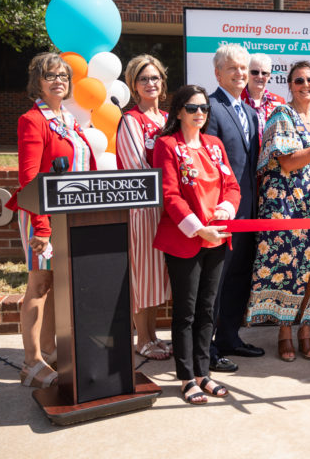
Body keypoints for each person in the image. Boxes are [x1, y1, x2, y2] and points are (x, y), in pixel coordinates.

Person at [6, 53, 95, 387]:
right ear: (38, 82)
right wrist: (41, 227)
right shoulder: (33, 120)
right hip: (41, 216)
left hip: (71, 217)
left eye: (63, 76)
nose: (59, 81)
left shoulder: (69, 120)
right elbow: (30, 179)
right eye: (51, 76)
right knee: (39, 284)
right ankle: (31, 362)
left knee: (59, 283)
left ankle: (50, 351)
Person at [248, 61, 310, 362]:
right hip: (285, 207)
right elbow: (287, 162)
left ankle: (306, 332)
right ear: (289, 84)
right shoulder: (281, 113)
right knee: (287, 271)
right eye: (299, 80)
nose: (305, 85)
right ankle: (285, 334)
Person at [152, 84, 240, 404]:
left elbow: (232, 186)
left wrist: (226, 211)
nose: (199, 113)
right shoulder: (166, 145)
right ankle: (186, 376)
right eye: (192, 108)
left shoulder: (214, 145)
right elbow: (170, 196)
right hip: (185, 239)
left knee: (207, 309)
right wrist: (198, 228)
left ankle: (203, 373)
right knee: (186, 312)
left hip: (216, 237)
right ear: (178, 112)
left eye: (204, 108)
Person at [205, 44, 265, 374]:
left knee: (239, 278)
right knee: (217, 281)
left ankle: (230, 337)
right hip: (223, 213)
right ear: (218, 73)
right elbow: (210, 165)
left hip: (249, 214)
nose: (242, 73)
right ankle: (208, 347)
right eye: (234, 68)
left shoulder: (251, 113)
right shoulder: (210, 109)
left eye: (245, 68)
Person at [116, 54, 172, 361]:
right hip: (143, 210)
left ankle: (153, 335)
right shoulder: (130, 120)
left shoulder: (167, 119)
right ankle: (143, 339)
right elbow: (136, 169)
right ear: (133, 86)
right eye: (143, 79)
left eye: (155, 78)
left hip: (168, 209)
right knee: (144, 274)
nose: (150, 83)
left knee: (159, 275)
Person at [240, 52, 285, 144]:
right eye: (255, 72)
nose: (260, 76)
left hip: (270, 157)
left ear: (269, 76)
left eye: (264, 73)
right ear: (247, 73)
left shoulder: (279, 102)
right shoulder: (237, 100)